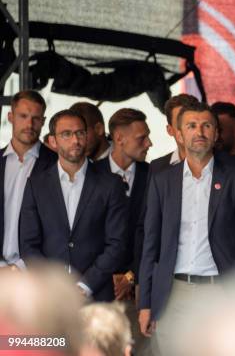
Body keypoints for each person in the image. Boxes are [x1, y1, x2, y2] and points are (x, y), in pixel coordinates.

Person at [138, 103, 235, 355]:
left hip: (221, 292)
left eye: (206, 126)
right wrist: (145, 304)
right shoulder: (163, 181)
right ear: (179, 134)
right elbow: (151, 245)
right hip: (173, 293)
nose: (199, 132)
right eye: (191, 126)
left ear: (216, 134)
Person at [19, 109, 128, 301]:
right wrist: (53, 284)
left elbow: (116, 244)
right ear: (53, 141)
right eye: (66, 134)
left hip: (96, 296)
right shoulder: (36, 184)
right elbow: (28, 244)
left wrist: (86, 285)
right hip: (49, 298)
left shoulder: (111, 183)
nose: (75, 140)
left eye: (80, 133)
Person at [94, 108, 151, 353]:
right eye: (142, 138)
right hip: (96, 288)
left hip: (136, 292)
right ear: (119, 139)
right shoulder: (91, 175)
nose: (149, 143)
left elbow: (152, 234)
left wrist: (131, 276)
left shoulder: (154, 176)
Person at [1, 90, 57, 270]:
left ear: (43, 121)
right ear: (10, 117)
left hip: (36, 271)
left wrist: (22, 267)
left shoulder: (57, 165)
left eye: (36, 118)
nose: (29, 124)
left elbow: (58, 226)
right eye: (23, 116)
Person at [150, 94, 202, 173]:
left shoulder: (224, 163)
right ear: (170, 130)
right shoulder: (156, 168)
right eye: (180, 122)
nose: (187, 129)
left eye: (192, 123)